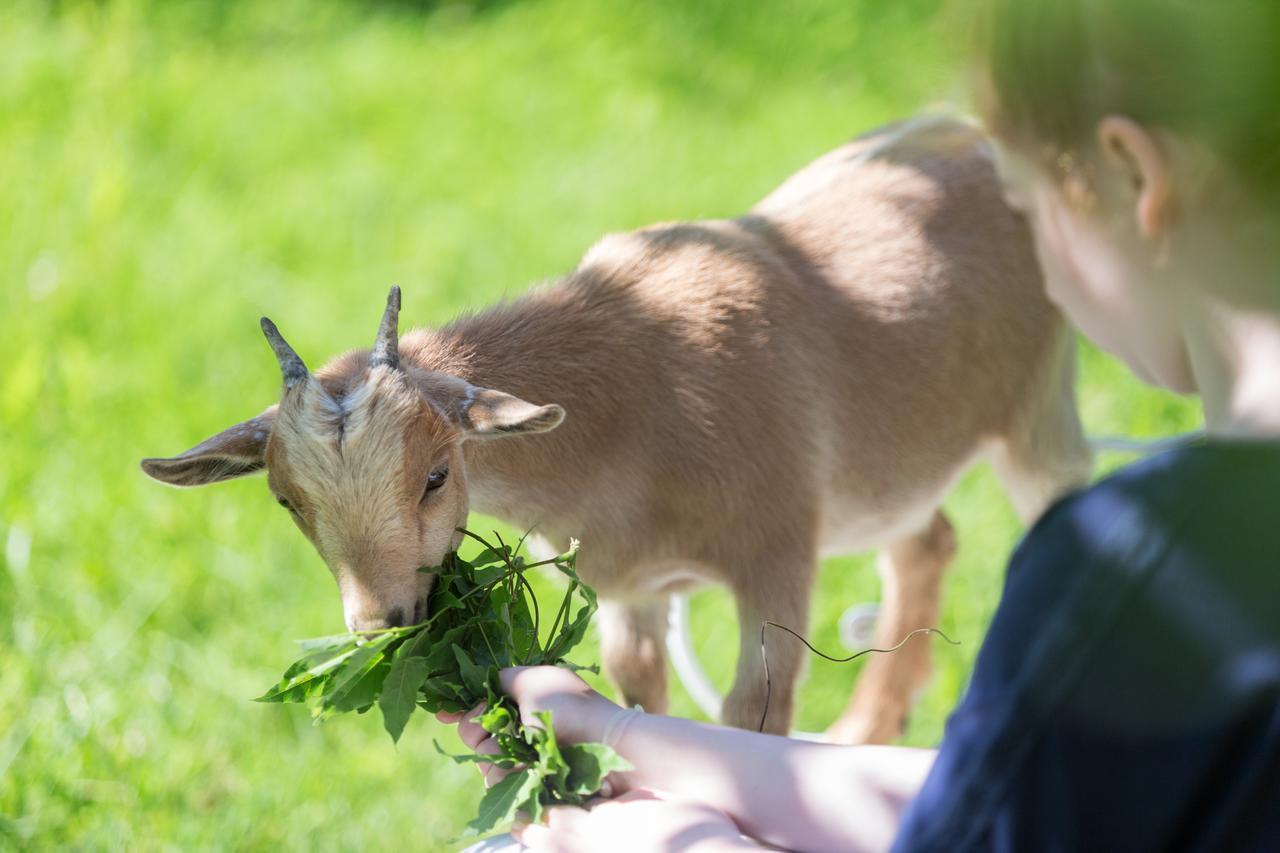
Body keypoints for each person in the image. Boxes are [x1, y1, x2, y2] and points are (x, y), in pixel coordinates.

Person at [441, 1, 1280, 848]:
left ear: (1131, 175)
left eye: (1022, 210)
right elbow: (1028, 795)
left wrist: (680, 843)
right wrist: (636, 738)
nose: (1036, 272)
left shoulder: (1135, 580)